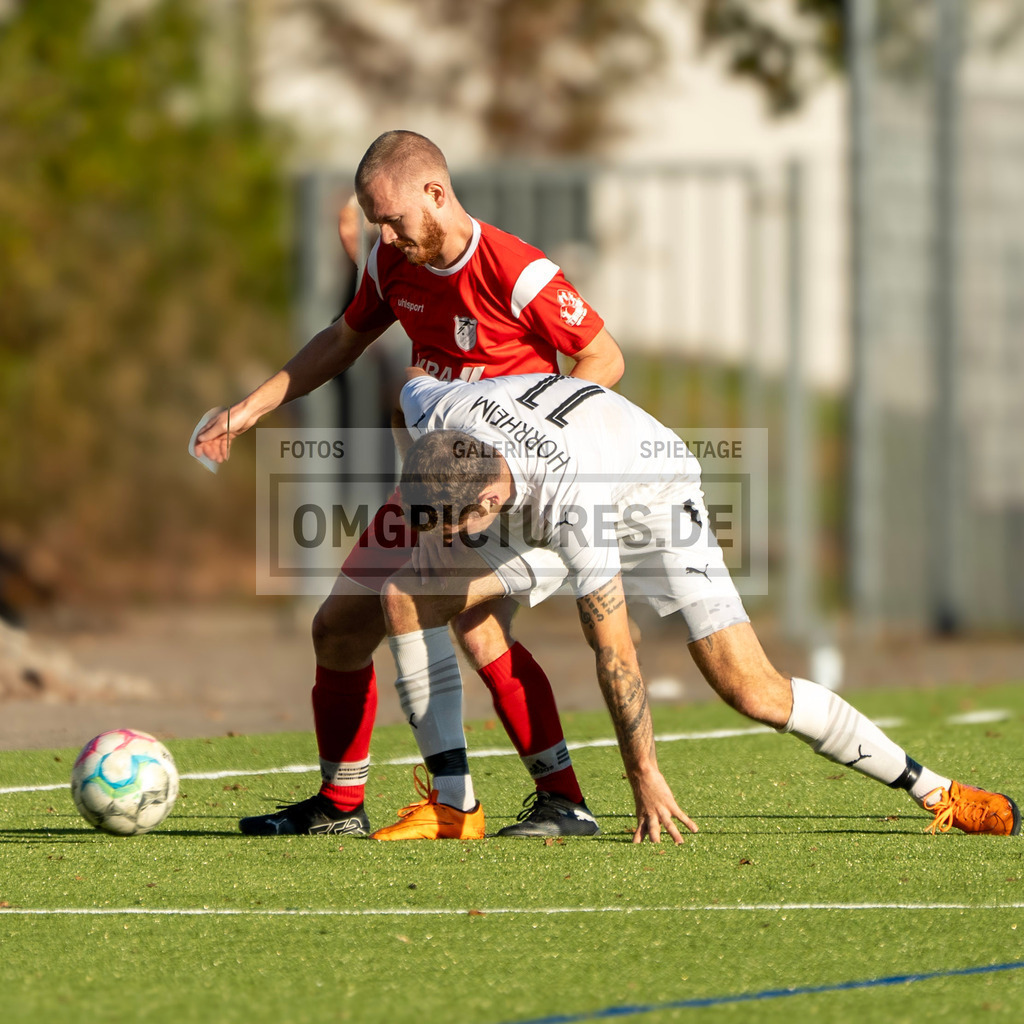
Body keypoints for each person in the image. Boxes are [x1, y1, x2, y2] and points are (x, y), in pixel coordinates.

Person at [369, 368, 1021, 842]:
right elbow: (410, 383)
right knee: (405, 593)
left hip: (653, 501)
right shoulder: (445, 413)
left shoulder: (571, 500)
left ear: (483, 504)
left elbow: (616, 650)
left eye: (448, 527)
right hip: (543, 490)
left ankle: (938, 791)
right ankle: (456, 804)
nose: (441, 539)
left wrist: (644, 776)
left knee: (750, 688)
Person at [192, 130, 625, 838]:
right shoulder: (393, 264)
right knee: (336, 629)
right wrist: (250, 409)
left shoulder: (516, 270)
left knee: (474, 626)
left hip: (498, 495)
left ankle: (516, 804)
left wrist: (525, 442)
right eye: (375, 223)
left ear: (436, 192)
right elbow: (340, 341)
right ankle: (340, 808)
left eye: (392, 218)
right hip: (427, 489)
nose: (385, 235)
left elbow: (603, 358)